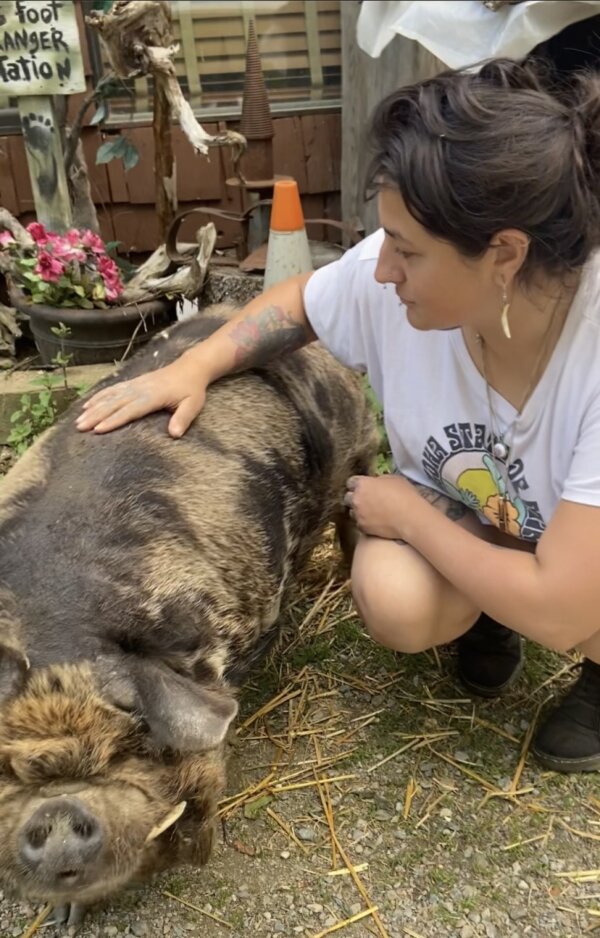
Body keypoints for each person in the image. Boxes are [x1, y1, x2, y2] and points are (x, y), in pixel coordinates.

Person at [76, 59, 600, 774]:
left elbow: (565, 608)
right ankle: (488, 609)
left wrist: (410, 517)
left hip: (578, 570)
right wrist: (192, 365)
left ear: (504, 253)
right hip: (494, 511)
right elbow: (299, 302)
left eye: (406, 251)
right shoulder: (399, 280)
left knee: (574, 611)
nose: (382, 270)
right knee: (395, 598)